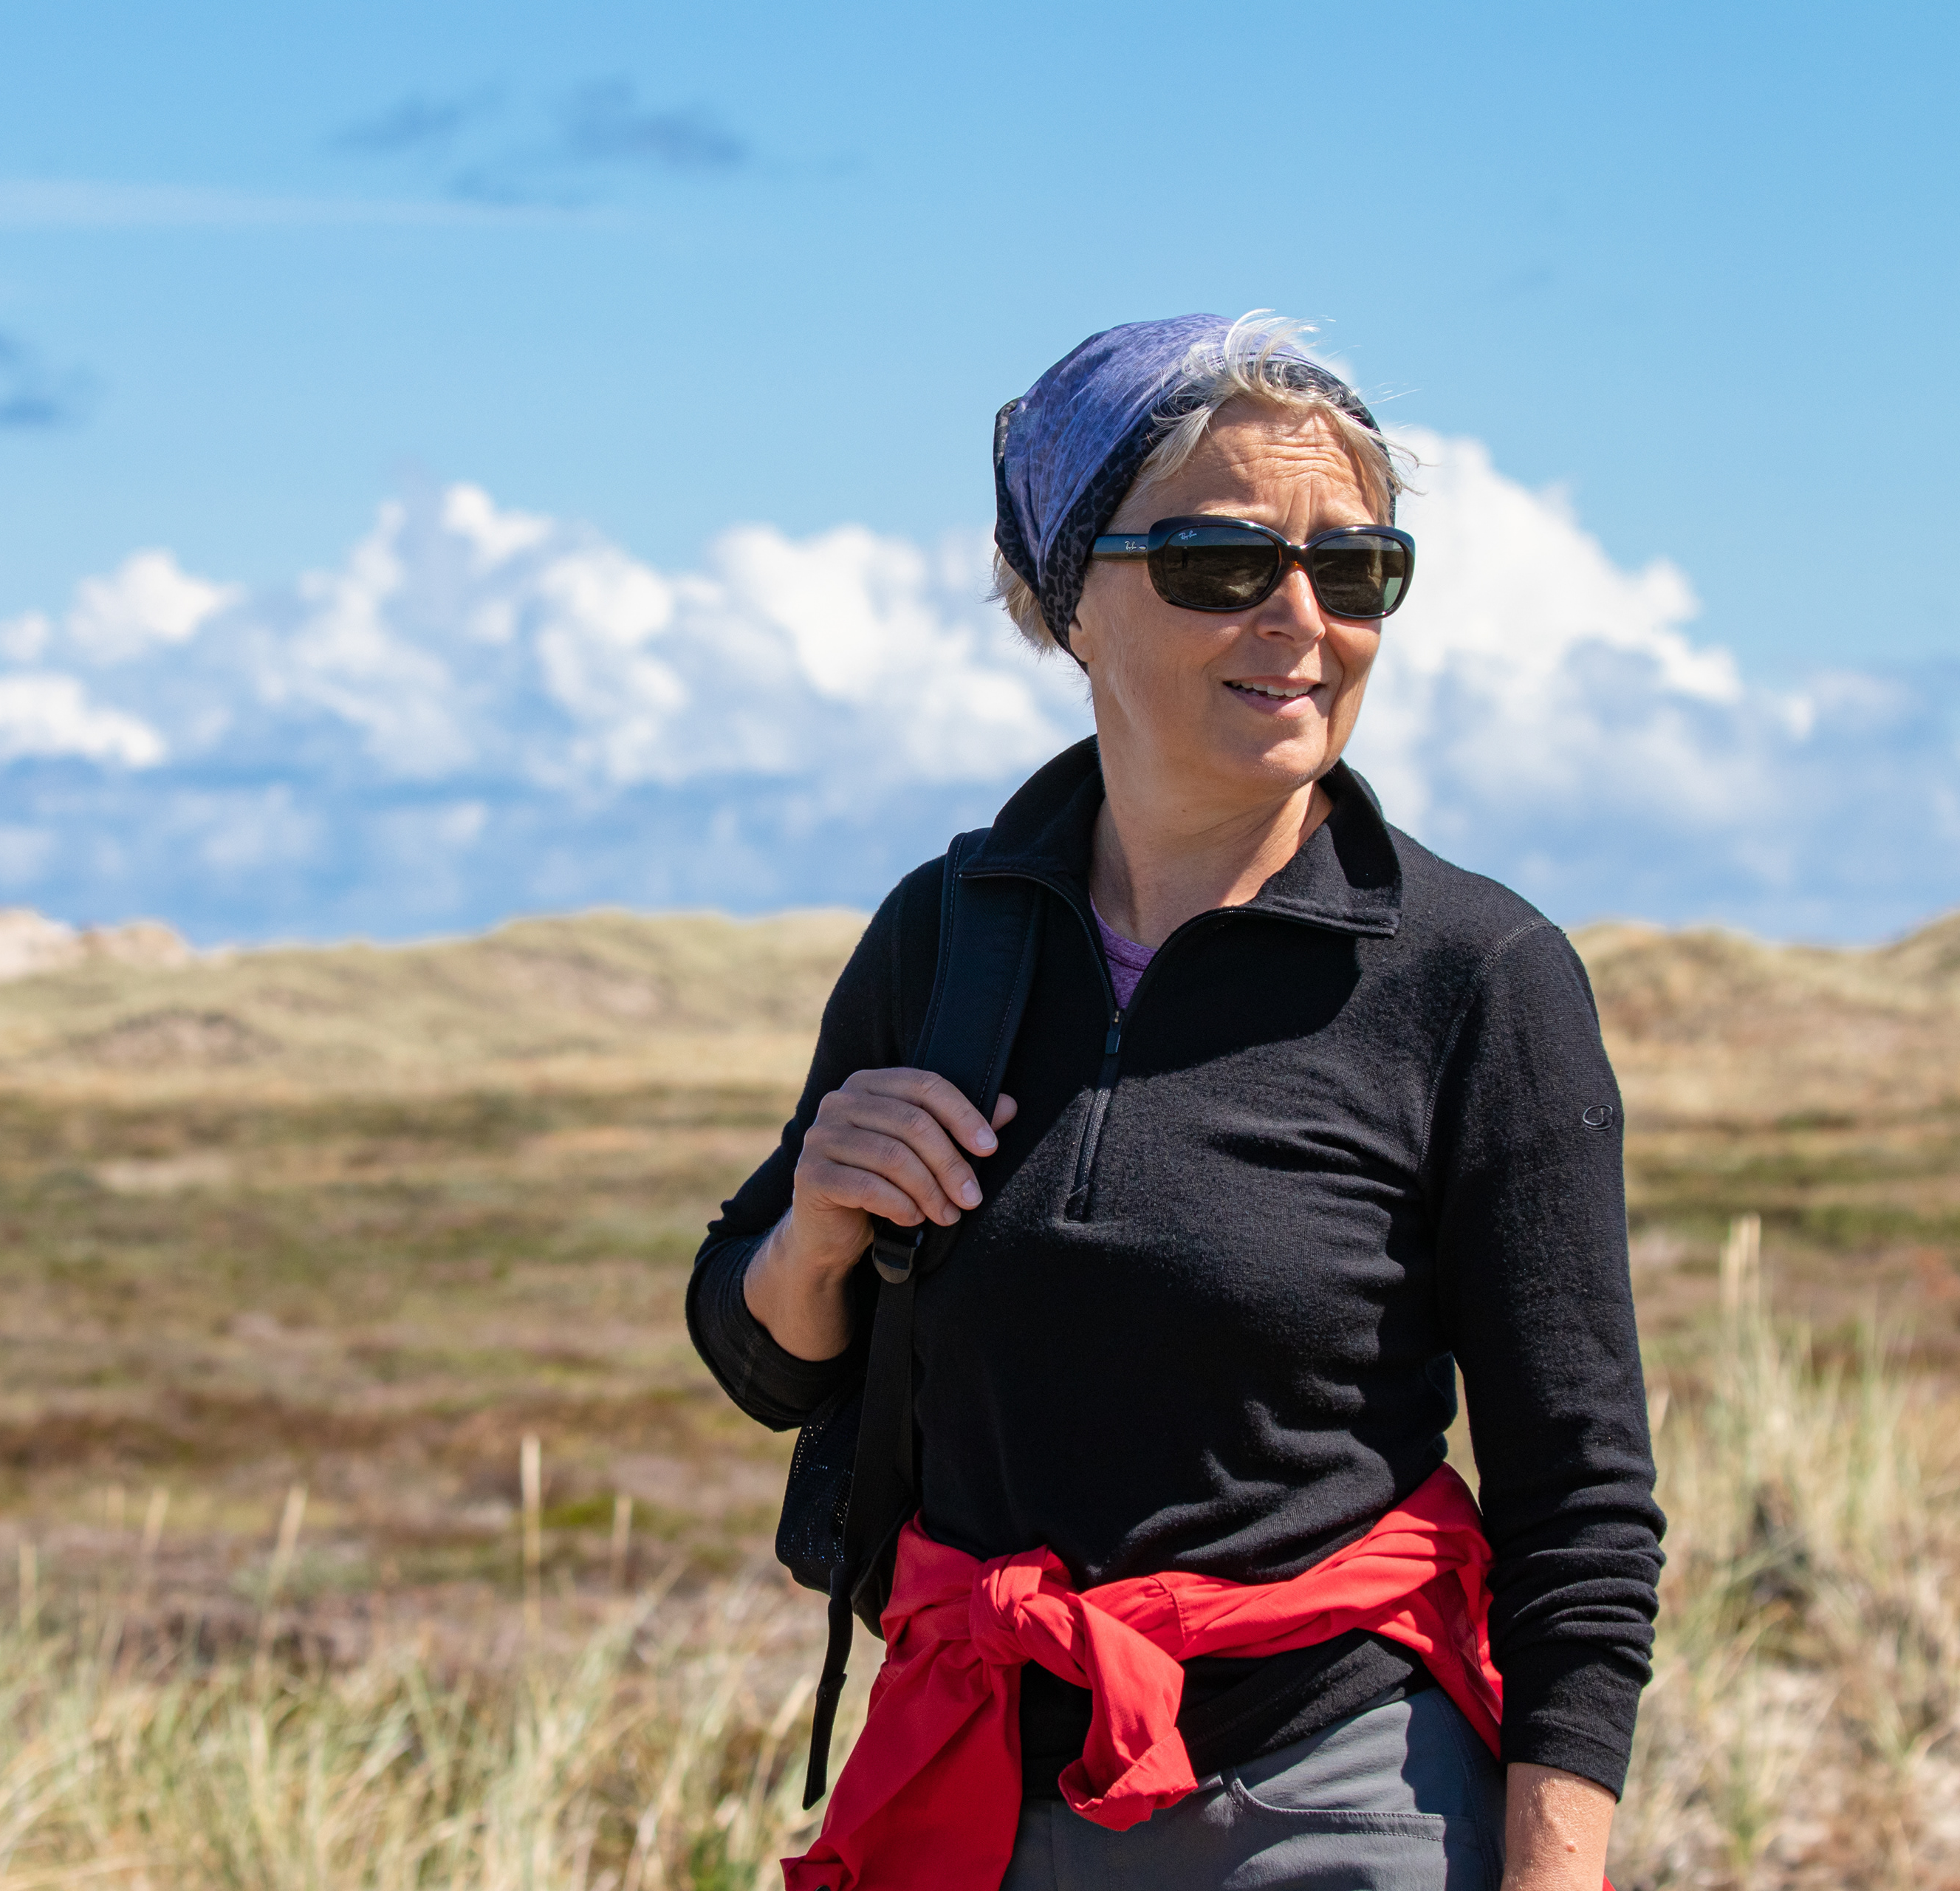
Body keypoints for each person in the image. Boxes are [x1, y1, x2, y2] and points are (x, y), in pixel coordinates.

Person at [688, 313, 1660, 1891]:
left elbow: (1582, 1502)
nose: (1304, 618)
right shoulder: (947, 935)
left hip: (1333, 1793)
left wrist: (1555, 1869)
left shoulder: (1480, 974)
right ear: (1071, 601)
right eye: (1223, 561)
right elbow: (761, 1355)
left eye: (1356, 569)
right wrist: (810, 1234)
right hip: (973, 1780)